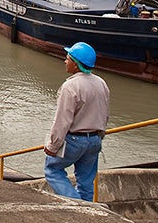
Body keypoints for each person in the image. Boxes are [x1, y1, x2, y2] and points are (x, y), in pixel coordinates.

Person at [44, 42, 110, 201]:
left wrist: (53, 146)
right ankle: (88, 211)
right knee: (86, 182)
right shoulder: (101, 83)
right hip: (94, 139)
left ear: (76, 64)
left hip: (75, 140)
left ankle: (78, 205)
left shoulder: (70, 86)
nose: (65, 61)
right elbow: (105, 114)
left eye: (68, 59)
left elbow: (62, 121)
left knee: (52, 170)